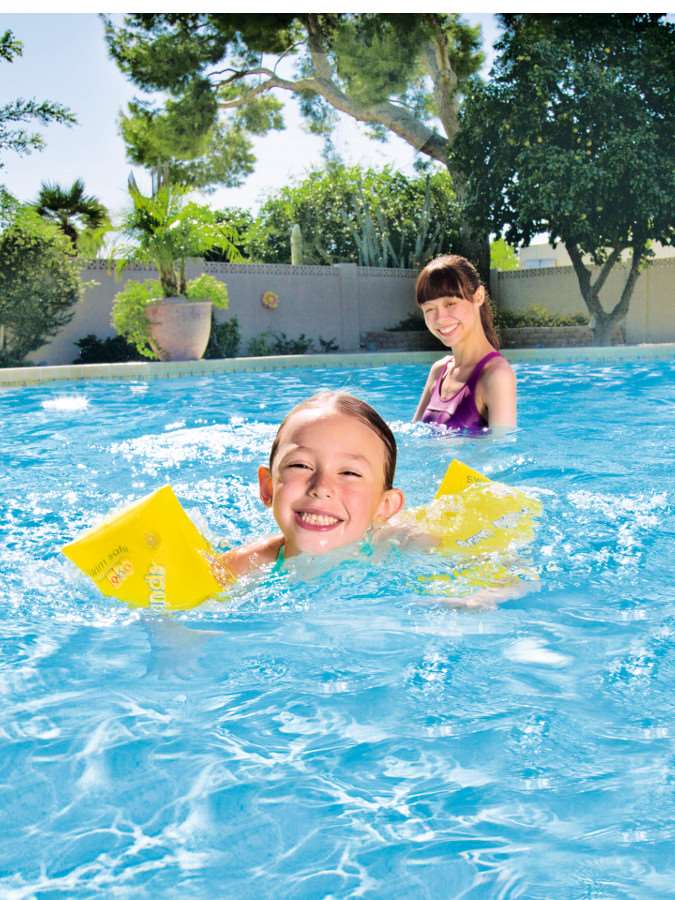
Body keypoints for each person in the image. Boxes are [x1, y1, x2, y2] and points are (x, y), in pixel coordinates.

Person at [209, 391, 405, 584]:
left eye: (349, 473)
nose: (321, 487)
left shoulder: (403, 548)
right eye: (300, 466)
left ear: (385, 505)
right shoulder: (234, 570)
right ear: (268, 488)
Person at [412, 254, 516, 433]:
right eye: (429, 309)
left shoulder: (496, 376)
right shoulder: (439, 370)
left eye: (450, 303)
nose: (440, 318)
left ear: (478, 297)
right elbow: (413, 435)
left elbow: (502, 447)